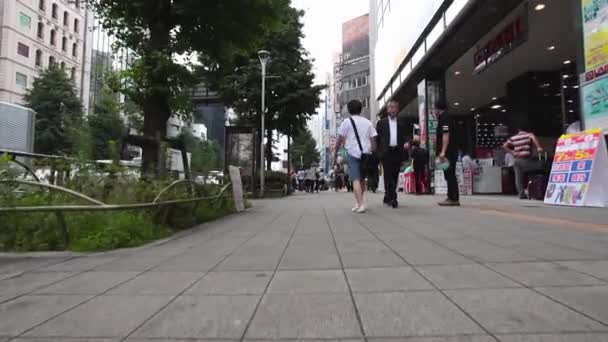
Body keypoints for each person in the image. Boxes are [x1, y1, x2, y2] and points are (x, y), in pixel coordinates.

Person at [335, 99, 377, 213]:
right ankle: (359, 203)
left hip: (352, 153)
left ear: (349, 110)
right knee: (362, 179)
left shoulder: (346, 122)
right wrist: (373, 151)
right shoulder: (368, 122)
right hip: (366, 154)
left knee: (355, 179)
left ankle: (361, 204)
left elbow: (339, 139)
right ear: (361, 109)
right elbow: (373, 139)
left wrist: (335, 151)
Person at [375, 100, 409, 208]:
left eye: (394, 107)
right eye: (390, 107)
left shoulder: (402, 122)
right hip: (386, 152)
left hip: (398, 151)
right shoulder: (381, 123)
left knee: (395, 174)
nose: (392, 109)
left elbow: (407, 135)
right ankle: (392, 197)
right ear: (387, 109)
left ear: (397, 109)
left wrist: (407, 142)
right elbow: (377, 138)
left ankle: (388, 195)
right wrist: (378, 151)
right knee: (388, 174)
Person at [503, 122, 544, 199]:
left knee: (518, 178)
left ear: (519, 129)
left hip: (516, 161)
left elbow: (504, 146)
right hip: (526, 160)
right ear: (528, 129)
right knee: (542, 166)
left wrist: (512, 152)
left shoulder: (513, 138)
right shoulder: (529, 134)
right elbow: (534, 139)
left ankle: (521, 194)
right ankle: (537, 189)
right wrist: (539, 147)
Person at [436, 100, 460, 206]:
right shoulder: (445, 117)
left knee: (450, 174)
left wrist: (443, 151)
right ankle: (451, 196)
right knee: (448, 174)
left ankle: (453, 198)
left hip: (448, 152)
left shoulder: (445, 119)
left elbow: (446, 134)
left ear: (437, 108)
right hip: (449, 151)